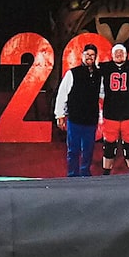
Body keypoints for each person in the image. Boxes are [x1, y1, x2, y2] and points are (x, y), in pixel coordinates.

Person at [51, 40, 104, 176]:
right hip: (74, 120)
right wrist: (60, 115)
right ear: (82, 55)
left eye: (92, 55)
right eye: (87, 54)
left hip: (91, 120)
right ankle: (72, 175)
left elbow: (103, 94)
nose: (89, 57)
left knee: (88, 150)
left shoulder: (99, 75)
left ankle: (85, 173)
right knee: (73, 150)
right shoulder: (72, 73)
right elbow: (62, 95)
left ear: (95, 57)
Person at [93, 40, 129, 172]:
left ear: (126, 54)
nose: (119, 54)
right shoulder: (105, 67)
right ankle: (106, 171)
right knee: (109, 145)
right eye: (116, 52)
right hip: (111, 113)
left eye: (122, 52)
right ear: (111, 55)